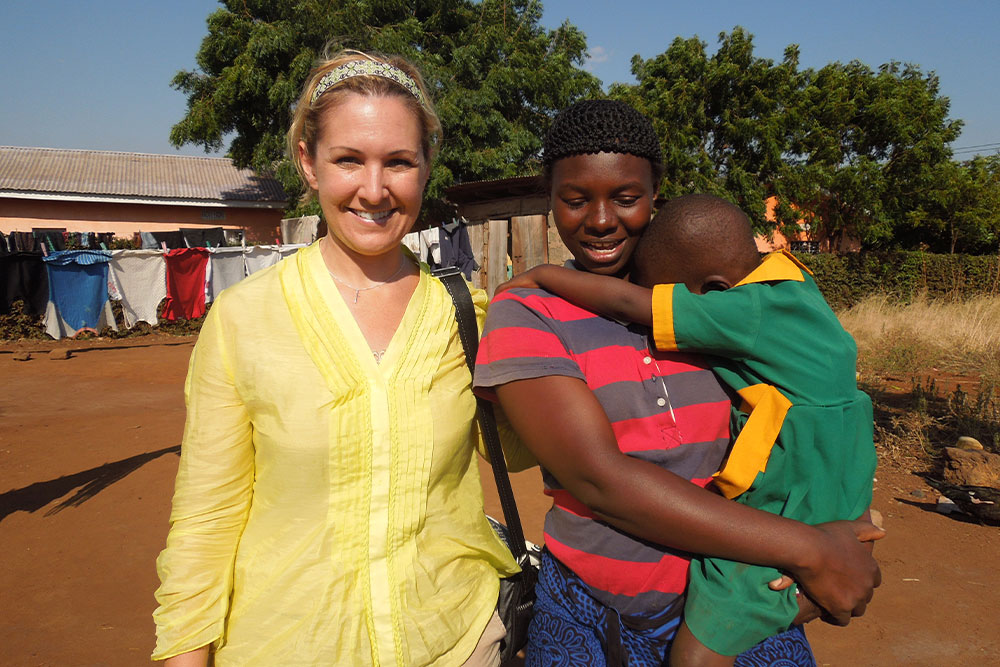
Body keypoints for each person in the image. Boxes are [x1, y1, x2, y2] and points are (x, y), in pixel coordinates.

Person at [152, 49, 534, 666]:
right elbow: (206, 515)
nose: (374, 190)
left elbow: (519, 451)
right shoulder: (243, 318)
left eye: (400, 162)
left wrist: (553, 337)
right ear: (308, 162)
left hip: (454, 640)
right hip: (285, 644)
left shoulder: (466, 311)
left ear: (427, 165)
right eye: (349, 160)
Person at [473, 99, 882, 666]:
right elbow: (598, 481)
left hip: (739, 595)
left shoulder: (710, 295)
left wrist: (839, 526)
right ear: (550, 200)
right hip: (594, 610)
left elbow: (810, 409)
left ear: (655, 195)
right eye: (574, 200)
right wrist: (814, 549)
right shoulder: (529, 312)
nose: (599, 220)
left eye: (626, 197)